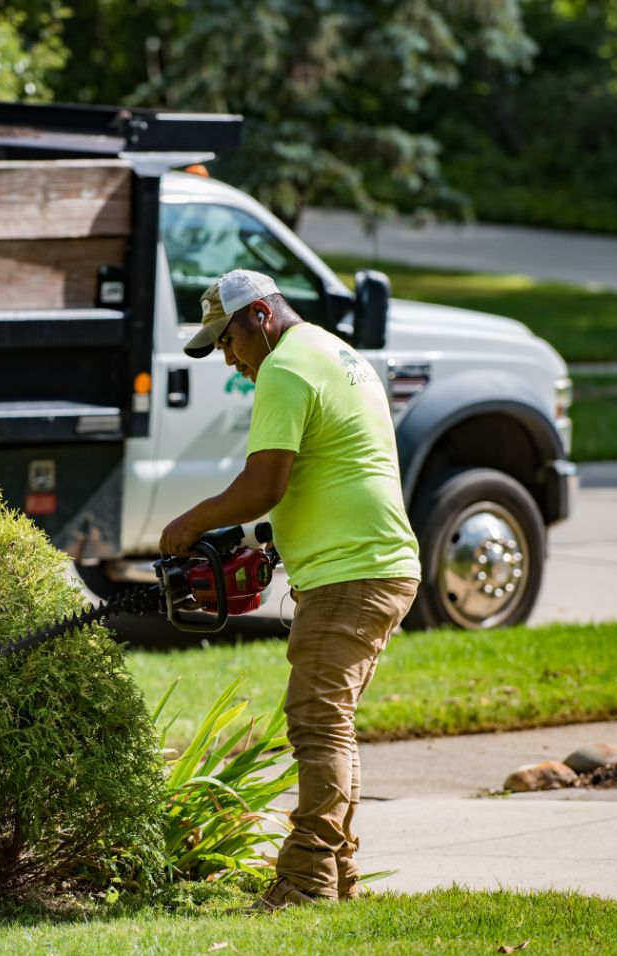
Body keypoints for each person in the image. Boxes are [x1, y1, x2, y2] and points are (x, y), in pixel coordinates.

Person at [159, 269, 420, 911]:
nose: (229, 357)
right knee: (333, 724)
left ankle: (304, 882)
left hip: (351, 571)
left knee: (316, 723)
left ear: (260, 317)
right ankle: (337, 876)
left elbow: (265, 482)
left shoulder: (283, 367)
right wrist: (268, 540)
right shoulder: (337, 352)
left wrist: (189, 523)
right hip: (377, 562)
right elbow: (324, 472)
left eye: (228, 341)